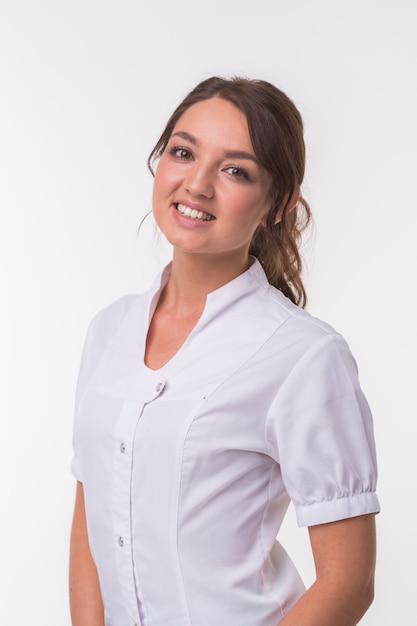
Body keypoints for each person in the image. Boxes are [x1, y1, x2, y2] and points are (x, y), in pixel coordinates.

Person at [69, 76, 380, 626]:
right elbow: (90, 513)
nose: (198, 184)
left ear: (278, 204)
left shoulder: (305, 355)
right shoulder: (109, 330)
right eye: (183, 152)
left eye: (235, 170)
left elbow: (349, 582)